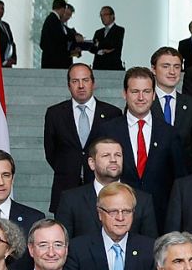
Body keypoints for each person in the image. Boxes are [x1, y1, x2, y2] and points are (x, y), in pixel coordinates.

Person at [93, 67, 182, 213]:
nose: (141, 97)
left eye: (146, 92)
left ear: (154, 95)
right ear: (125, 94)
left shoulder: (169, 133)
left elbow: (178, 179)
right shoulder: (107, 130)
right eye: (135, 92)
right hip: (117, 213)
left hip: (159, 215)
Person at [71, 184, 157, 270]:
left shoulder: (150, 249)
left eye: (127, 211)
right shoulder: (78, 249)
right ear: (100, 213)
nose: (120, 217)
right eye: (113, 212)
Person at [43, 63, 124, 210]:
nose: (81, 85)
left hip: (102, 189)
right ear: (68, 85)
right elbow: (51, 152)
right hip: (65, 188)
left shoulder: (113, 113)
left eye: (85, 80)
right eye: (75, 81)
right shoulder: (55, 114)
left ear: (93, 83)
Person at [52, 136, 160, 242]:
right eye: (106, 155)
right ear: (91, 163)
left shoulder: (142, 200)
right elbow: (62, 244)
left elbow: (150, 246)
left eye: (118, 155)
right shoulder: (71, 200)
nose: (113, 160)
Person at [150, 47, 192, 163]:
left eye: (177, 67)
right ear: (153, 69)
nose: (172, 72)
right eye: (165, 66)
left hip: (184, 175)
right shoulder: (144, 102)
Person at [83, 5, 124, 70]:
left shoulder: (119, 30)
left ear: (112, 16)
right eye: (101, 15)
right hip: (98, 66)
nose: (102, 17)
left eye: (105, 15)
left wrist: (99, 44)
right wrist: (100, 50)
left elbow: (113, 44)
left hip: (113, 66)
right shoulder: (98, 32)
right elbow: (92, 48)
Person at [39, 0, 77, 69]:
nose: (67, 17)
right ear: (62, 9)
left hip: (57, 63)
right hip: (54, 63)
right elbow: (58, 41)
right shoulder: (54, 21)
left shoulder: (52, 20)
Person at [0, 0, 16, 68]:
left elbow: (11, 42)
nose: (0, 11)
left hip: (8, 62)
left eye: (2, 8)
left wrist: (13, 58)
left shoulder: (6, 25)